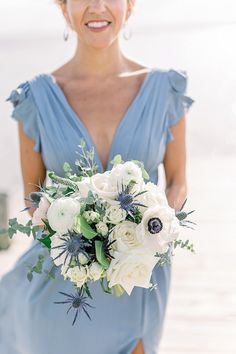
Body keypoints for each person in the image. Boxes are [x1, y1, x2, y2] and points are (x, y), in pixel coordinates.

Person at [0, 0, 194, 353]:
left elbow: (178, 179)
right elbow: (33, 194)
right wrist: (78, 233)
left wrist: (154, 222)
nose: (98, 7)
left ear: (130, 6)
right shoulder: (35, 97)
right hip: (61, 283)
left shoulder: (166, 90)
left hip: (139, 276)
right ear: (63, 7)